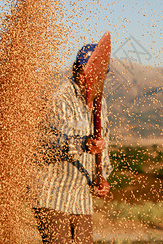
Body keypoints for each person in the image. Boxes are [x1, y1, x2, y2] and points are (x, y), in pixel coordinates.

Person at [33, 43, 112, 243]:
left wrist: (101, 176)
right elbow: (51, 141)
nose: (94, 79)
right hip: (52, 194)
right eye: (88, 73)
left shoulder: (100, 103)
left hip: (81, 198)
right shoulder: (59, 98)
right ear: (78, 70)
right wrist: (83, 143)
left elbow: (104, 143)